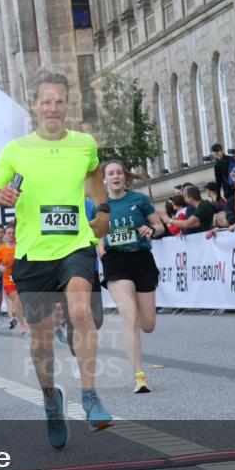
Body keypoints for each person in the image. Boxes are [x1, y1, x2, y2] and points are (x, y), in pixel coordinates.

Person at [0, 70, 112, 449]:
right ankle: (52, 401)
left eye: (59, 100)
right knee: (41, 343)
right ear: (34, 105)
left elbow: (95, 174)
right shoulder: (16, 151)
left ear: (67, 105)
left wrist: (102, 210)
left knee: (81, 310)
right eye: (46, 101)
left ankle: (90, 397)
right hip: (33, 253)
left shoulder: (84, 144)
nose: (53, 107)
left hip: (75, 245)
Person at [96, 160, 162, 393]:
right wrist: (98, 242)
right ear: (104, 178)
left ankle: (139, 370)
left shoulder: (139, 200)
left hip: (141, 260)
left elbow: (159, 225)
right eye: (110, 173)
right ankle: (139, 375)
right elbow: (90, 231)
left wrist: (151, 230)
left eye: (118, 173)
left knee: (148, 325)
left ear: (124, 177)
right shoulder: (98, 205)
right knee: (130, 318)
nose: (115, 176)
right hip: (116, 262)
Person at [0, 223, 25, 333]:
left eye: (13, 233)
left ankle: (21, 321)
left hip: (21, 279)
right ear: (5, 235)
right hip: (8, 280)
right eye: (9, 233)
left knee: (20, 301)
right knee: (16, 299)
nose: (11, 235)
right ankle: (22, 324)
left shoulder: (20, 246)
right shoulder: (1, 250)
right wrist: (0, 267)